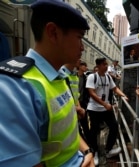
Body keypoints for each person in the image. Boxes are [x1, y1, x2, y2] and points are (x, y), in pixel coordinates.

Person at [0, 0, 95, 166]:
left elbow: (66, 131)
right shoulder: (14, 88)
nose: (82, 48)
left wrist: (87, 152)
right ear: (53, 33)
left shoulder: (58, 77)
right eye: (79, 38)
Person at [86, 57, 128, 165]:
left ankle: (108, 150)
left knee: (114, 126)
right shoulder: (92, 77)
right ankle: (94, 152)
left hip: (105, 108)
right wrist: (104, 104)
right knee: (94, 131)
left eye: (106, 64)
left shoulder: (108, 77)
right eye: (104, 64)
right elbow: (92, 93)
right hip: (94, 109)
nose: (106, 66)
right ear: (98, 66)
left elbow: (115, 89)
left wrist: (123, 95)